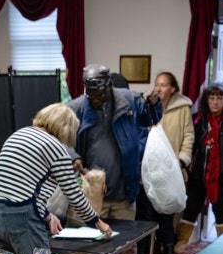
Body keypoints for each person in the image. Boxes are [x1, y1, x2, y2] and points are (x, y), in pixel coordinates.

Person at [0, 103, 111, 254]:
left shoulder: (18, 135)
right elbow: (73, 193)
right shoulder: (55, 147)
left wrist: (47, 215)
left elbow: (17, 184)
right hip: (20, 217)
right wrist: (98, 222)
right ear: (66, 128)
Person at [68, 64, 158, 224]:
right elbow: (59, 139)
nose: (96, 99)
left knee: (126, 243)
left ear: (109, 85)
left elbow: (150, 121)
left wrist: (153, 105)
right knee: (92, 242)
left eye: (100, 94)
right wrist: (73, 157)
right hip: (92, 191)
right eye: (92, 95)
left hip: (124, 191)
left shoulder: (130, 100)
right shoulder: (76, 107)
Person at [175, 82, 223, 253]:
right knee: (191, 208)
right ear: (206, 100)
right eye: (212, 97)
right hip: (198, 175)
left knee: (222, 212)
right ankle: (181, 244)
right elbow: (190, 145)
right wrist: (189, 168)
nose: (215, 102)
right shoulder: (198, 120)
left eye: (219, 98)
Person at [137, 71, 194, 254]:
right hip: (151, 168)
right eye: (157, 84)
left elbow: (188, 135)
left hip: (172, 168)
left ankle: (168, 251)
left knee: (167, 213)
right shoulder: (146, 105)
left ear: (173, 88)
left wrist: (182, 159)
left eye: (163, 85)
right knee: (147, 211)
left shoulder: (182, 107)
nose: (159, 88)